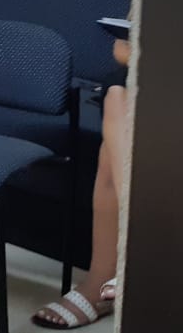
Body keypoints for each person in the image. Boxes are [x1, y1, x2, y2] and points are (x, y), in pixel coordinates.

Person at [32, 33, 132, 329]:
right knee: (118, 95)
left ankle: (101, 281)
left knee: (112, 141)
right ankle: (137, 225)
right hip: (147, 79)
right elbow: (122, 48)